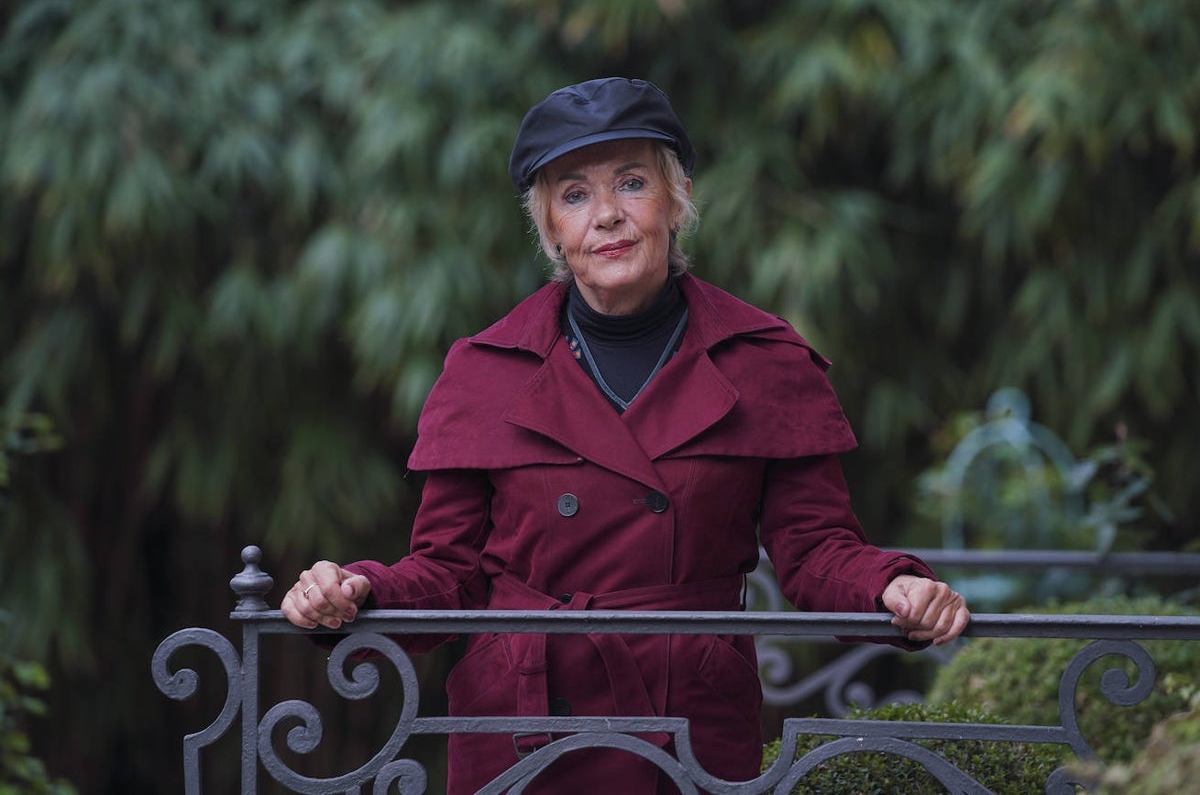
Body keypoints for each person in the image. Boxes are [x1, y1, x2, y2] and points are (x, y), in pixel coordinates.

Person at [282, 77, 970, 793]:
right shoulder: (484, 370)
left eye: (632, 183)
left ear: (677, 201)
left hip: (688, 715)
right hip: (521, 725)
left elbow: (816, 550)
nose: (606, 215)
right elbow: (448, 573)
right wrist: (358, 588)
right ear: (549, 227)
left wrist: (894, 586)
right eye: (574, 194)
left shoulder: (763, 359)